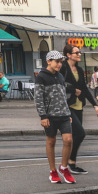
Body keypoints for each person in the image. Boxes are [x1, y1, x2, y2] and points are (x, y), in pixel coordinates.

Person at [35, 50, 75, 184]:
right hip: (50, 116)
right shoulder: (41, 76)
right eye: (57, 62)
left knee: (68, 140)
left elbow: (63, 96)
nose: (59, 65)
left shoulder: (60, 76)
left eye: (60, 62)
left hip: (64, 114)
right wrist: (43, 116)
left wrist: (68, 113)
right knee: (51, 142)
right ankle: (53, 171)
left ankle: (64, 168)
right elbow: (38, 98)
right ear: (49, 61)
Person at [61, 43, 98, 173]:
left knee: (75, 136)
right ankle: (70, 163)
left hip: (79, 106)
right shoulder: (63, 67)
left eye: (79, 52)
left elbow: (84, 88)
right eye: (76, 52)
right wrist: (74, 90)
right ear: (68, 55)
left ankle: (69, 164)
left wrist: (95, 105)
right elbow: (59, 85)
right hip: (67, 106)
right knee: (80, 133)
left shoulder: (79, 69)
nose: (79, 54)